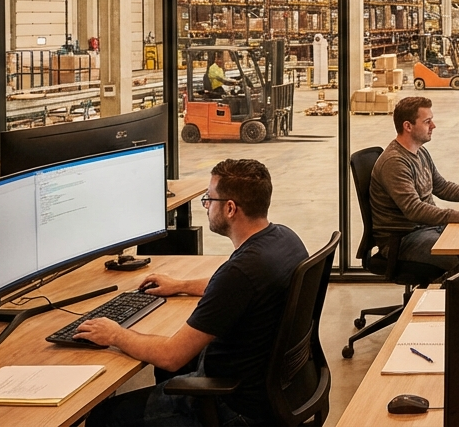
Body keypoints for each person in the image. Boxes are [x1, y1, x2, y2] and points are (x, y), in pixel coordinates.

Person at [78, 158, 308, 427]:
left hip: (234, 407)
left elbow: (171, 355)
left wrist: (115, 333)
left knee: (103, 417)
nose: (207, 205)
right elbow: (232, 290)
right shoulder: (284, 239)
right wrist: (180, 285)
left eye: (210, 199)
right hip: (280, 390)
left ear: (231, 208)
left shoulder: (240, 272)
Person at [370, 96, 459, 273]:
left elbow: (442, 187)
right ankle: (442, 296)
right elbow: (414, 209)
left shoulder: (419, 151)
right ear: (408, 126)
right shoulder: (395, 162)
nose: (433, 126)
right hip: (404, 239)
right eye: (427, 122)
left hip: (427, 228)